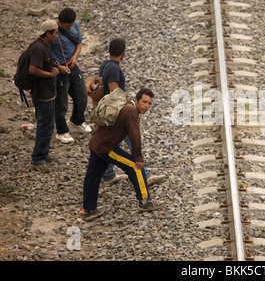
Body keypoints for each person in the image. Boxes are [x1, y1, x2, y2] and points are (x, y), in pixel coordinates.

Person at [83, 88, 161, 221]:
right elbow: (135, 136)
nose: (147, 106)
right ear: (136, 100)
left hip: (95, 143)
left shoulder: (126, 106)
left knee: (92, 177)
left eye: (149, 103)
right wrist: (138, 157)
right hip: (106, 148)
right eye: (144, 102)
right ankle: (144, 202)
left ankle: (89, 210)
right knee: (136, 167)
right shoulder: (131, 111)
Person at [96, 38, 164, 187]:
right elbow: (114, 92)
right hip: (117, 112)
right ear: (123, 52)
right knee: (132, 139)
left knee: (112, 142)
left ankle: (108, 175)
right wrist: (126, 110)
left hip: (109, 113)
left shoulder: (104, 65)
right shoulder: (114, 68)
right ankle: (144, 175)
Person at [28, 20, 70, 172]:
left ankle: (43, 153)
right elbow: (33, 69)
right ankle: (37, 159)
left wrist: (58, 67)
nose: (57, 37)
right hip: (42, 94)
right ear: (48, 33)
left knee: (48, 124)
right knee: (45, 125)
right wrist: (50, 74)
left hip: (48, 93)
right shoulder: (38, 48)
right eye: (55, 33)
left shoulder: (44, 46)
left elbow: (48, 62)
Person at [50, 7, 91, 144]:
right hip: (59, 70)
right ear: (59, 22)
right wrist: (58, 67)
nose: (69, 28)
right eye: (67, 26)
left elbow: (79, 42)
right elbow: (46, 55)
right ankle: (61, 131)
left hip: (72, 66)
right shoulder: (52, 32)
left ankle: (77, 121)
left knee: (82, 96)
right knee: (61, 103)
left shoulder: (75, 26)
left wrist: (75, 57)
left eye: (71, 25)